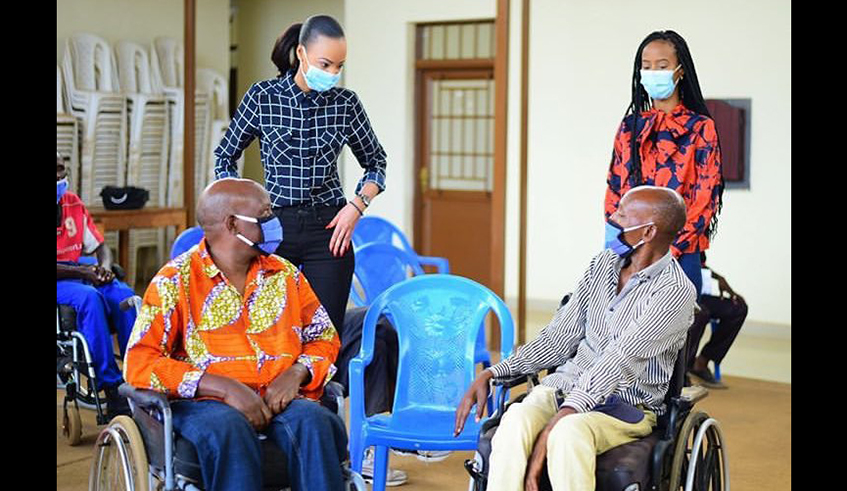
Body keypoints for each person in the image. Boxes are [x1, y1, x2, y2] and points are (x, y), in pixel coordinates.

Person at [455, 186, 696, 491]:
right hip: (563, 388)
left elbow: (619, 360)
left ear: (648, 231)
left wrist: (561, 418)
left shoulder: (675, 292)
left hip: (624, 404)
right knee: (514, 422)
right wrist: (494, 372)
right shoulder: (602, 266)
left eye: (621, 214)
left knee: (567, 433)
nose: (612, 217)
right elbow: (558, 338)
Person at [123, 178, 347, 491]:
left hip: (279, 396)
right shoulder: (175, 281)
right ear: (232, 224)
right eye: (266, 214)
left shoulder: (285, 275)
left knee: (316, 423)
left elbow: (324, 336)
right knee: (229, 429)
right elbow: (140, 362)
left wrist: (297, 372)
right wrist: (222, 387)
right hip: (205, 403)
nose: (275, 220)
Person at [214, 14, 387, 341]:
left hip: (331, 230)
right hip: (275, 227)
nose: (333, 74)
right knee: (271, 331)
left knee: (325, 336)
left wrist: (357, 206)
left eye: (339, 66)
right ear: (301, 54)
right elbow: (225, 155)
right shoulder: (262, 97)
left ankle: (322, 393)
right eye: (325, 64)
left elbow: (376, 161)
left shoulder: (346, 104)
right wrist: (238, 210)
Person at [604, 30, 724, 296]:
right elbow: (615, 190)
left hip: (679, 254)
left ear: (680, 71)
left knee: (675, 335)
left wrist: (667, 249)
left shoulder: (701, 128)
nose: (653, 73)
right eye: (646, 67)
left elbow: (705, 199)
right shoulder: (630, 127)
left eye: (662, 66)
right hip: (630, 251)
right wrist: (618, 243)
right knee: (620, 331)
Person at [56, 152, 134, 418]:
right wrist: (85, 272)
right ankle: (110, 385)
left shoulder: (72, 203)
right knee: (89, 298)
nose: (59, 177)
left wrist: (105, 267)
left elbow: (100, 245)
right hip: (61, 277)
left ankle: (138, 373)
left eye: (61, 170)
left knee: (123, 294)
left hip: (78, 268)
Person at [686, 252, 748, 389]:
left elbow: (699, 265)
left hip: (699, 294)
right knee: (700, 314)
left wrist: (719, 278)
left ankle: (701, 363)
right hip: (678, 294)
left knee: (738, 308)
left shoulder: (698, 236)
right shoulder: (682, 235)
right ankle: (682, 370)